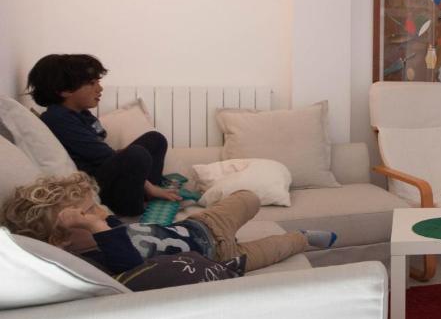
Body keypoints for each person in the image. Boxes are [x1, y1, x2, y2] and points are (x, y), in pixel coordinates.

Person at [2, 172, 338, 274]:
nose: (101, 214)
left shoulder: (105, 234)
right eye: (90, 212)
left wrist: (98, 220)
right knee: (276, 247)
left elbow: (118, 228)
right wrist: (96, 228)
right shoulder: (99, 259)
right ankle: (303, 238)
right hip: (220, 255)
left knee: (248, 196)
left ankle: (211, 197)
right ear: (60, 241)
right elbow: (128, 260)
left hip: (202, 225)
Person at [27, 53, 179, 216]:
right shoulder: (57, 118)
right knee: (136, 155)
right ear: (64, 91)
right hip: (94, 184)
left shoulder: (81, 113)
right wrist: (150, 186)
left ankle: (145, 193)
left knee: (155, 139)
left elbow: (101, 138)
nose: (100, 88)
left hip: (105, 173)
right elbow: (104, 156)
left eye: (98, 82)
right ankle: (132, 207)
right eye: (92, 83)